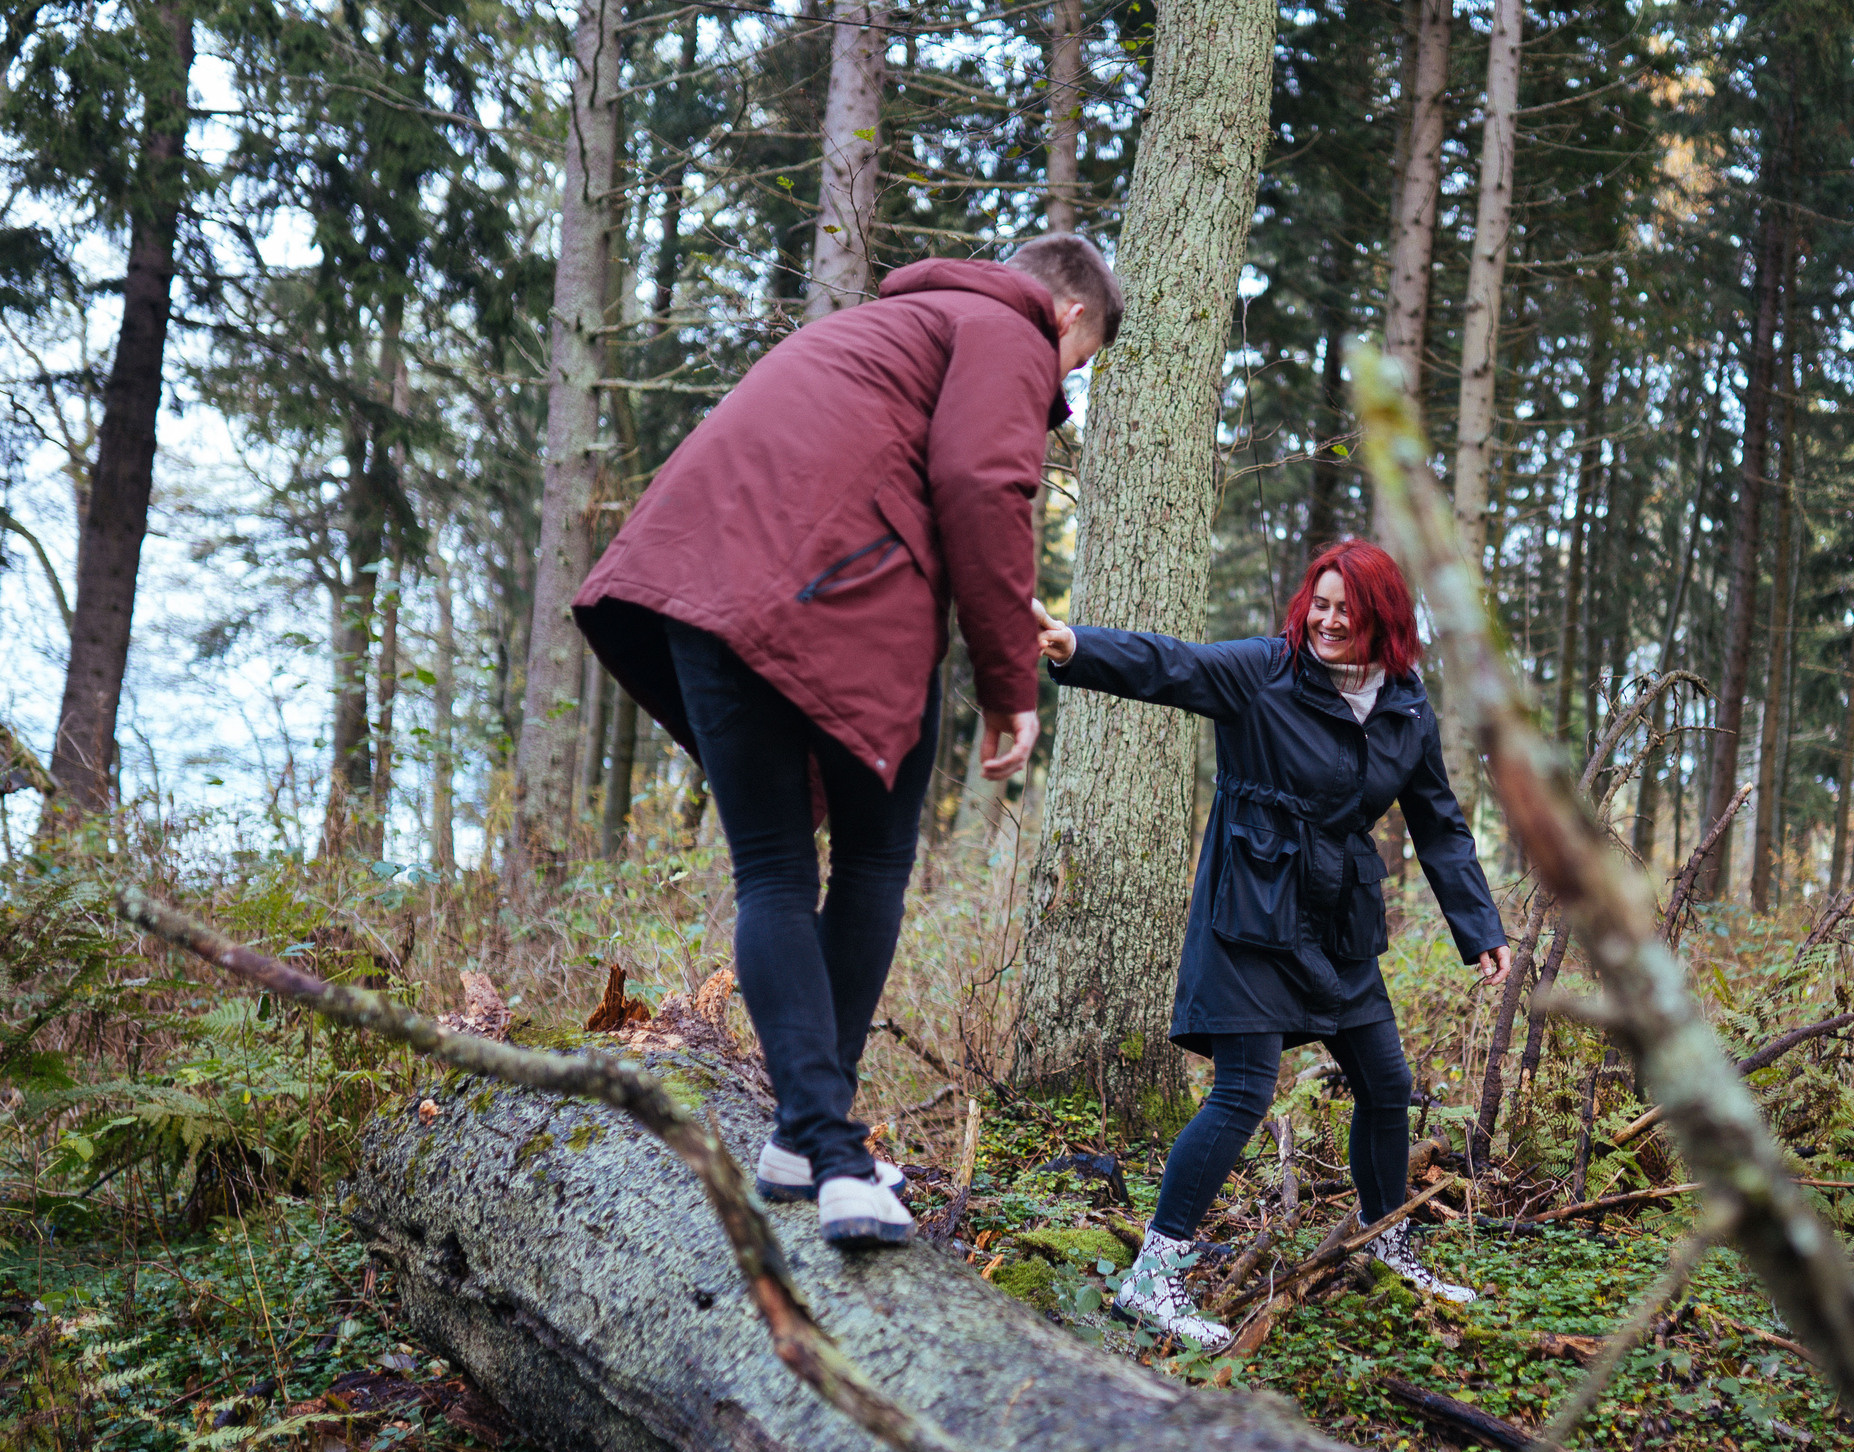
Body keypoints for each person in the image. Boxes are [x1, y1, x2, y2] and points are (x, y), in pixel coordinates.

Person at [572, 233, 1121, 1249]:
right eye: (1075, 375)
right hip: (814, 591)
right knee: (866, 862)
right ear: (1072, 319)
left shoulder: (890, 323)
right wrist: (1011, 686)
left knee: (774, 871)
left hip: (705, 579)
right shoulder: (1010, 325)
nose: (1062, 391)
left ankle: (796, 1136)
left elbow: (884, 472)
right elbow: (978, 485)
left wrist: (1000, 606)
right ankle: (831, 1153)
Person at [1035, 540, 1514, 1349]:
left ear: (1382, 620)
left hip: (1338, 918)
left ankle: (1384, 1239)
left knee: (1387, 1081)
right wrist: (1076, 646)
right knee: (1244, 1089)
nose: (1327, 620)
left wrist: (1480, 927)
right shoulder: (1266, 671)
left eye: (1347, 609)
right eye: (1319, 603)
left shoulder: (1405, 704)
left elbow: (1439, 823)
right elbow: (1171, 665)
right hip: (1252, 906)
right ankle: (1153, 1277)